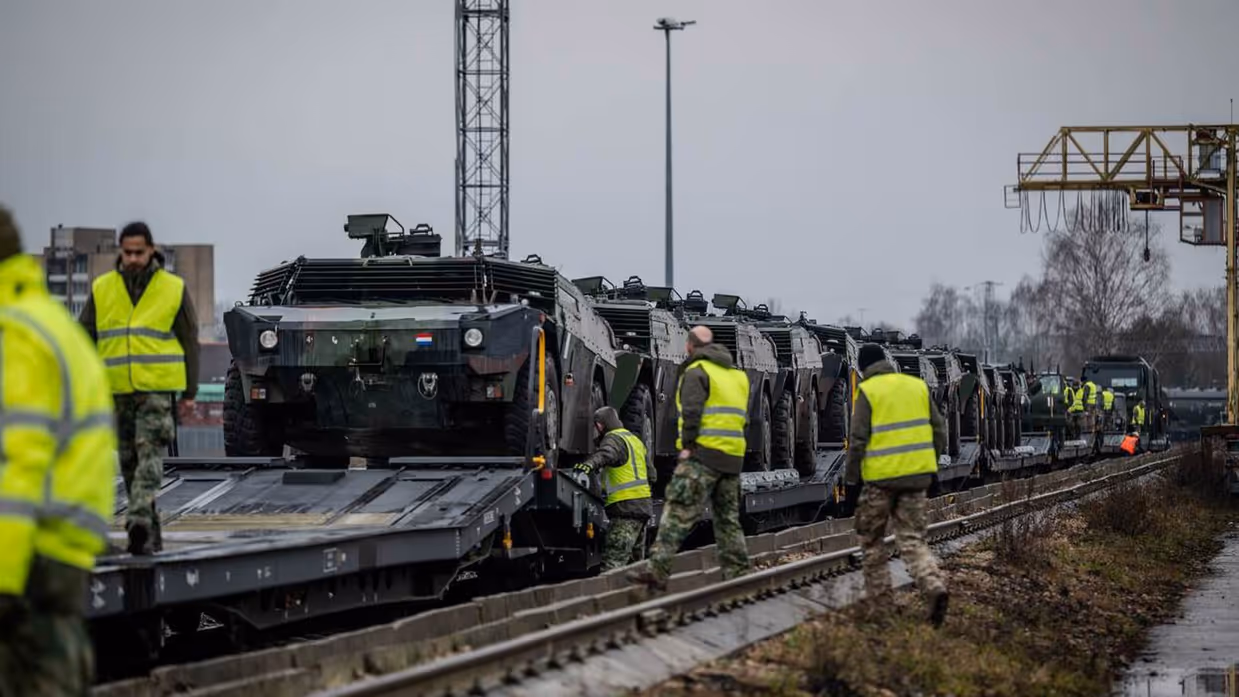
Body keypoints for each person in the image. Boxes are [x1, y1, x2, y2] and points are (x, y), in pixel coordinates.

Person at [0, 206, 117, 695]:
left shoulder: (18, 335)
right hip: (67, 544)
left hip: (30, 554)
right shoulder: (54, 324)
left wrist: (4, 579)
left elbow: (17, 467)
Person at [79, 221, 199, 555]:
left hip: (156, 393)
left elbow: (190, 341)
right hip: (116, 393)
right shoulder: (103, 288)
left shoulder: (172, 288)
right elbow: (83, 338)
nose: (133, 258)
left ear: (151, 250)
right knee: (130, 465)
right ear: (121, 250)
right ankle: (149, 539)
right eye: (127, 252)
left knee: (149, 457)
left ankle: (136, 519)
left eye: (139, 252)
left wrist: (190, 394)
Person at [627, 325, 751, 592]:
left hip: (703, 455)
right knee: (728, 519)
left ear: (690, 346)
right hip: (732, 458)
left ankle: (657, 570)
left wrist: (687, 447)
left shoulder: (697, 372)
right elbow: (745, 420)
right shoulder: (738, 377)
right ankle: (739, 575)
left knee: (677, 511)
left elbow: (692, 413)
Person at [844, 343, 950, 627]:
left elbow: (857, 441)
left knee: (872, 542)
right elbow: (939, 430)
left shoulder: (867, 391)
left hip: (879, 483)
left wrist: (851, 483)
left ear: (864, 367)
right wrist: (932, 467)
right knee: (912, 539)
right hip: (916, 480)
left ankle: (882, 610)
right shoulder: (916, 386)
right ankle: (933, 585)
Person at [572, 407, 654, 571]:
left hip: (625, 511)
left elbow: (606, 454)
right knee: (636, 567)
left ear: (600, 425)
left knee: (612, 568)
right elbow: (652, 475)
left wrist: (589, 464)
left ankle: (608, 597)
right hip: (643, 509)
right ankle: (639, 596)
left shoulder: (613, 438)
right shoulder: (635, 441)